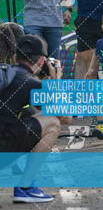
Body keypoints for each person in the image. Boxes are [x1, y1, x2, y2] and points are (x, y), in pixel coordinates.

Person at [0, 34, 70, 203]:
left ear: (15, 57)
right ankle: (26, 187)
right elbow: (65, 117)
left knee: (27, 114)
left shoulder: (6, 74)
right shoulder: (31, 83)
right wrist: (54, 80)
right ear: (41, 62)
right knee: (52, 123)